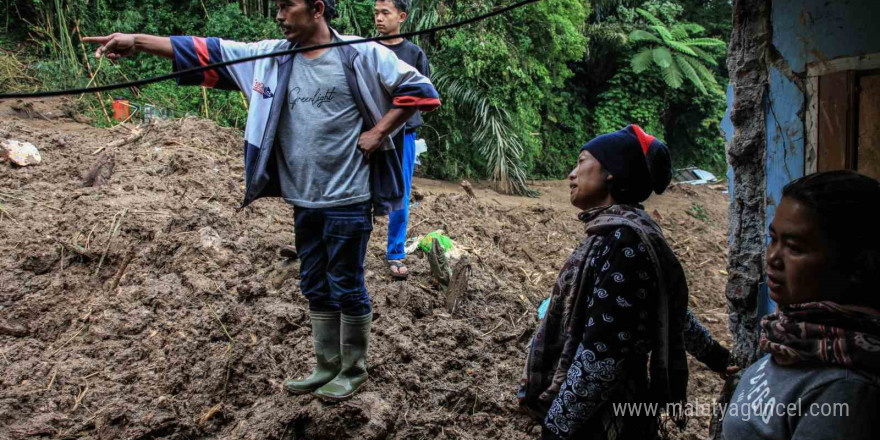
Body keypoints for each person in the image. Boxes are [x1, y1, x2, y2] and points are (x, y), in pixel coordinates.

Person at [83, 0, 440, 401]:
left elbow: (421, 91)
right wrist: (139, 42)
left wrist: (380, 132)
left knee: (346, 283)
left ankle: (352, 368)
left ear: (317, 9)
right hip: (303, 198)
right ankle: (325, 365)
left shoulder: (362, 53)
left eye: (288, 5)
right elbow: (206, 50)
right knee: (313, 282)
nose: (279, 14)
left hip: (348, 197)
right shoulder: (269, 58)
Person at [519, 125, 732, 439]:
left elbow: (602, 353)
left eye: (581, 162)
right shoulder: (616, 234)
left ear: (611, 172)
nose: (571, 174)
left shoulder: (624, 242)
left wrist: (558, 426)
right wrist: (717, 357)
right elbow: (666, 311)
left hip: (604, 416)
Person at [722, 171, 880, 439]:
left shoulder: (846, 389)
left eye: (794, 247)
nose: (772, 258)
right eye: (774, 239)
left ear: (857, 266)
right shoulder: (797, 337)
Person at [374, 0, 431, 280]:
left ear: (401, 16)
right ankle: (352, 246)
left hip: (404, 133)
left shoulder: (414, 53)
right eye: (376, 13)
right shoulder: (367, 49)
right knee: (358, 189)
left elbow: (423, 92)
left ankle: (395, 252)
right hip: (368, 132)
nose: (379, 18)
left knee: (401, 192)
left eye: (385, 13)